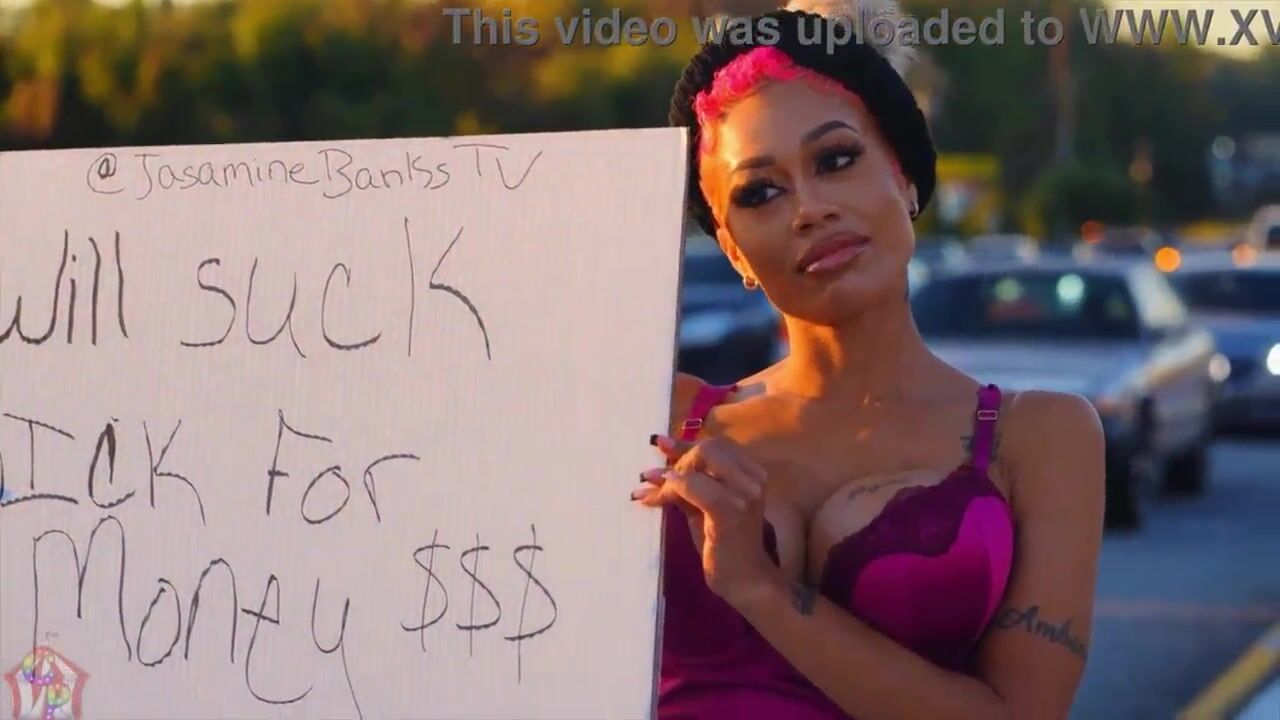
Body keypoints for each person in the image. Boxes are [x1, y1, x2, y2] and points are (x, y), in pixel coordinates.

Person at [629, 2, 1106, 718]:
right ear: (732, 250)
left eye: (836, 160)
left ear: (905, 177)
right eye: (760, 192)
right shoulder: (655, 415)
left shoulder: (1041, 437)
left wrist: (760, 589)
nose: (810, 209)